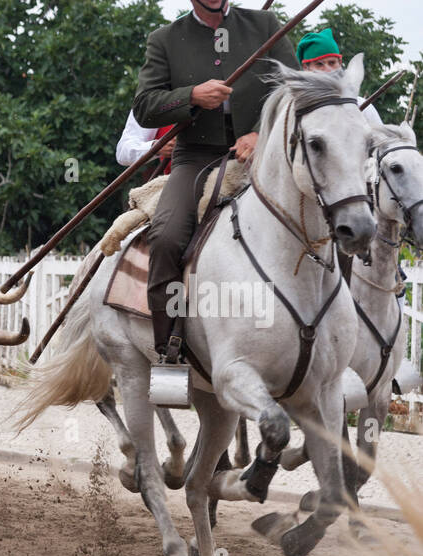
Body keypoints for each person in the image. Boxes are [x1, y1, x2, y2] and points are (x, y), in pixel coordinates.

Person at [134, 0, 297, 362]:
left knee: (328, 217)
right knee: (165, 237)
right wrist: (191, 96)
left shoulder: (266, 25)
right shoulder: (164, 39)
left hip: (265, 154)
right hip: (196, 158)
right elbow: (145, 105)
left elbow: (293, 89)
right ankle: (169, 348)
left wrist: (260, 133)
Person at [297, 28, 382, 123]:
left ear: (340, 62)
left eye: (332, 63)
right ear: (306, 67)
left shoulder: (362, 106)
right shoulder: (297, 110)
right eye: (319, 64)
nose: (328, 70)